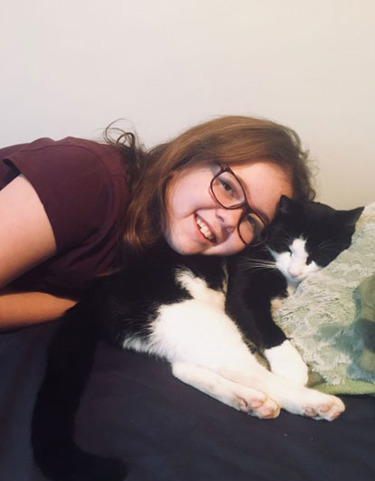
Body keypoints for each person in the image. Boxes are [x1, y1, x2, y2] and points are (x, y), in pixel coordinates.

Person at [0, 115, 315, 331]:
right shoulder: (83, 177)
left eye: (252, 221)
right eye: (228, 186)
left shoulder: (167, 253)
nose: (230, 219)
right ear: (184, 161)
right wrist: (74, 305)